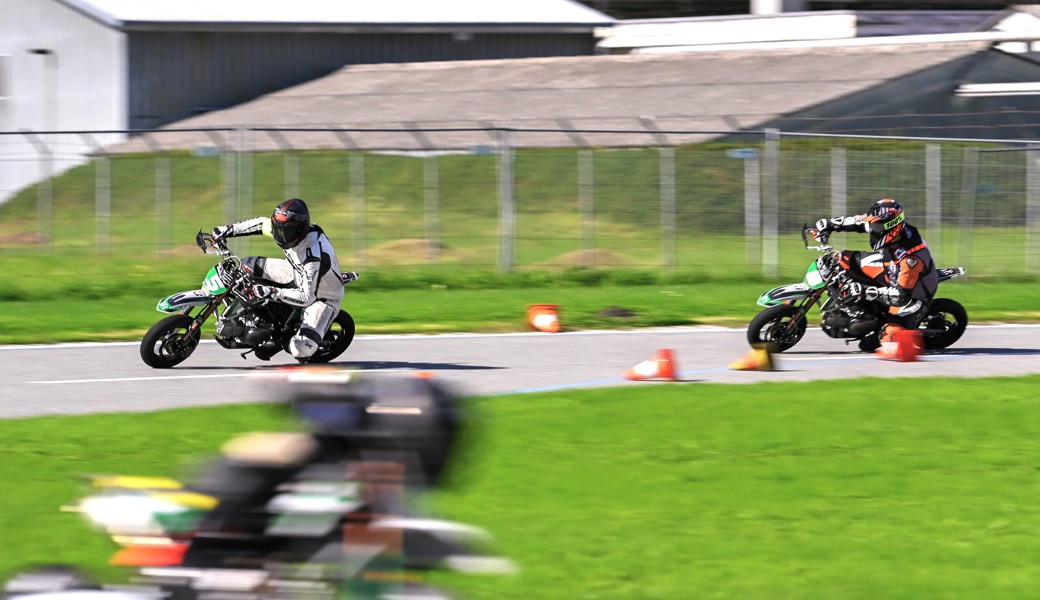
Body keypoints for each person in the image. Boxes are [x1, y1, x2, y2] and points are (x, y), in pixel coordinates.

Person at [213, 198, 345, 360]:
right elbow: (261, 224)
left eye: (285, 231)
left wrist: (272, 291)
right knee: (246, 265)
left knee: (300, 350)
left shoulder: (313, 255)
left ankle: (278, 340)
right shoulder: (283, 229)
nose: (280, 235)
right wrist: (227, 230)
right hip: (295, 273)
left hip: (322, 296)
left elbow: (306, 296)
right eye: (277, 229)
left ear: (299, 230)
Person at [812, 198, 938, 346]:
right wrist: (829, 224)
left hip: (913, 295)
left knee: (887, 339)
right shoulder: (886, 228)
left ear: (892, 228)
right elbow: (858, 222)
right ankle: (857, 309)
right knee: (843, 259)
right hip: (890, 268)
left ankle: (892, 329)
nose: (872, 230)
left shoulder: (912, 258)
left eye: (876, 227)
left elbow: (901, 297)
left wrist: (866, 290)